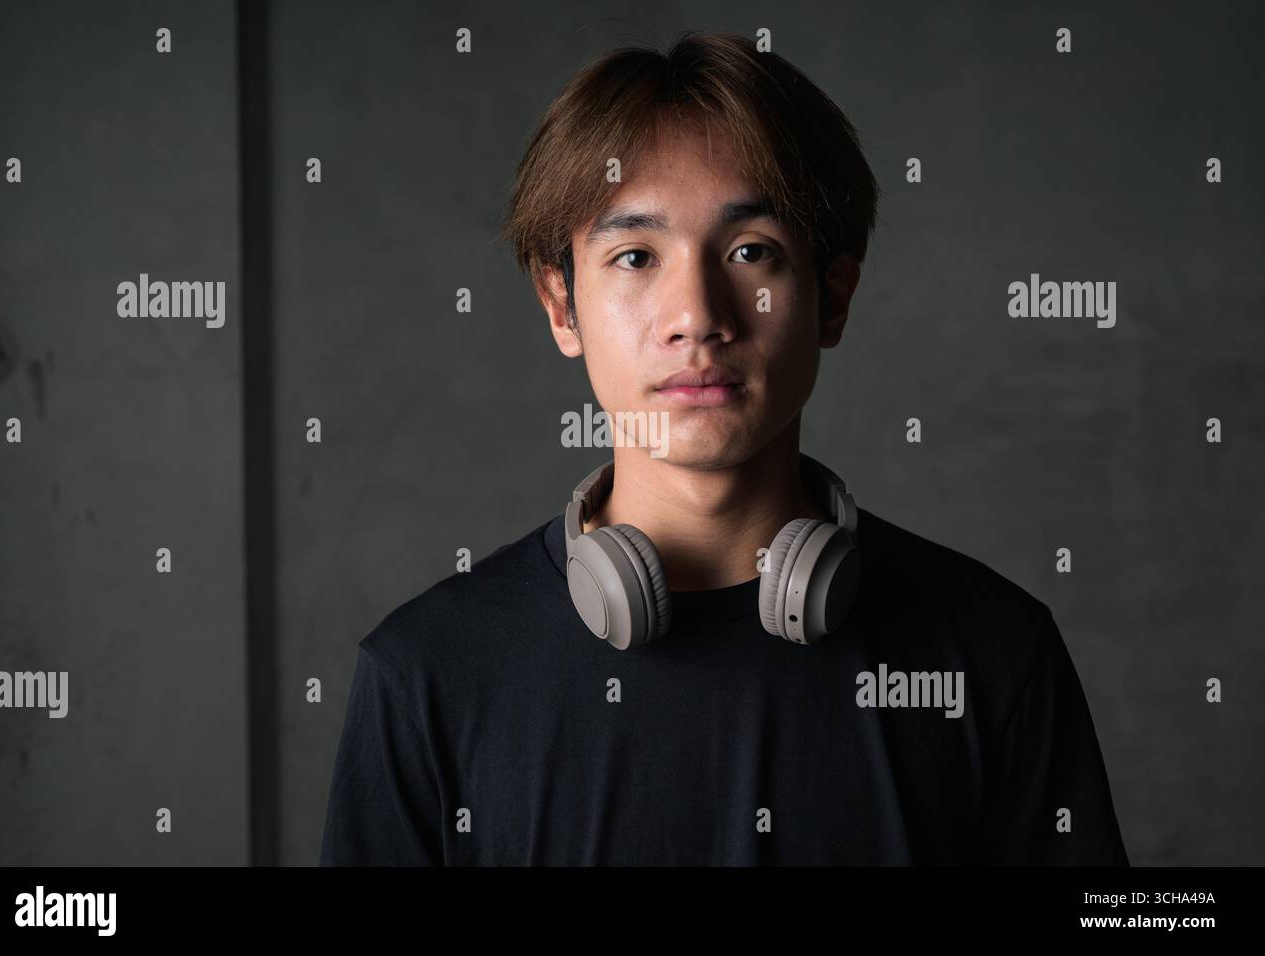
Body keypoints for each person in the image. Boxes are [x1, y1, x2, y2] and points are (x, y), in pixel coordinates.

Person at [319, 31, 1128, 866]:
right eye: (635, 256)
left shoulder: (994, 654)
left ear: (834, 297)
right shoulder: (424, 678)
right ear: (562, 307)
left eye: (751, 253)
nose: (697, 314)